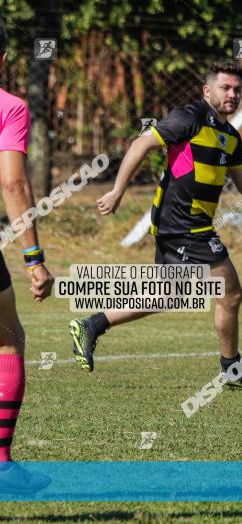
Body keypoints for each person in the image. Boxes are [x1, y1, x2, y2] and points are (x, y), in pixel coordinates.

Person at [69, 60, 242, 390]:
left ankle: (92, 324)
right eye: (225, 88)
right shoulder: (188, 118)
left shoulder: (229, 136)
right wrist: (117, 190)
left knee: (169, 295)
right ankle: (231, 369)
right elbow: (141, 143)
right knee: (230, 293)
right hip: (182, 225)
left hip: (192, 225)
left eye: (237, 89)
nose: (232, 94)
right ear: (208, 90)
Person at [0, 25, 55, 492]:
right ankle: (2, 466)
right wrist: (34, 258)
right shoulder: (10, 107)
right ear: (2, 59)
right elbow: (14, 185)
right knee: (7, 337)